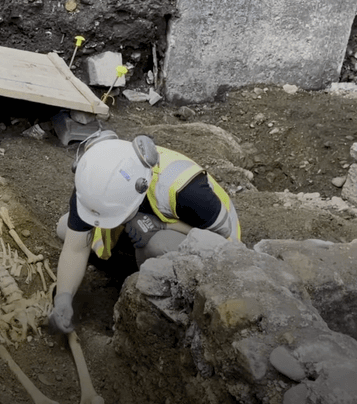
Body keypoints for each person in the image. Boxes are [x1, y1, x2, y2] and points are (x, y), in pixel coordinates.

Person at [48, 130, 241, 334]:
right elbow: (75, 248)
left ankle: (151, 294)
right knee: (65, 227)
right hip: (142, 222)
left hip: (210, 241)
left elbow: (224, 240)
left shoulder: (185, 189)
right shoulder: (93, 178)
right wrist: (63, 297)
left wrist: (162, 226)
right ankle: (131, 260)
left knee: (156, 244)